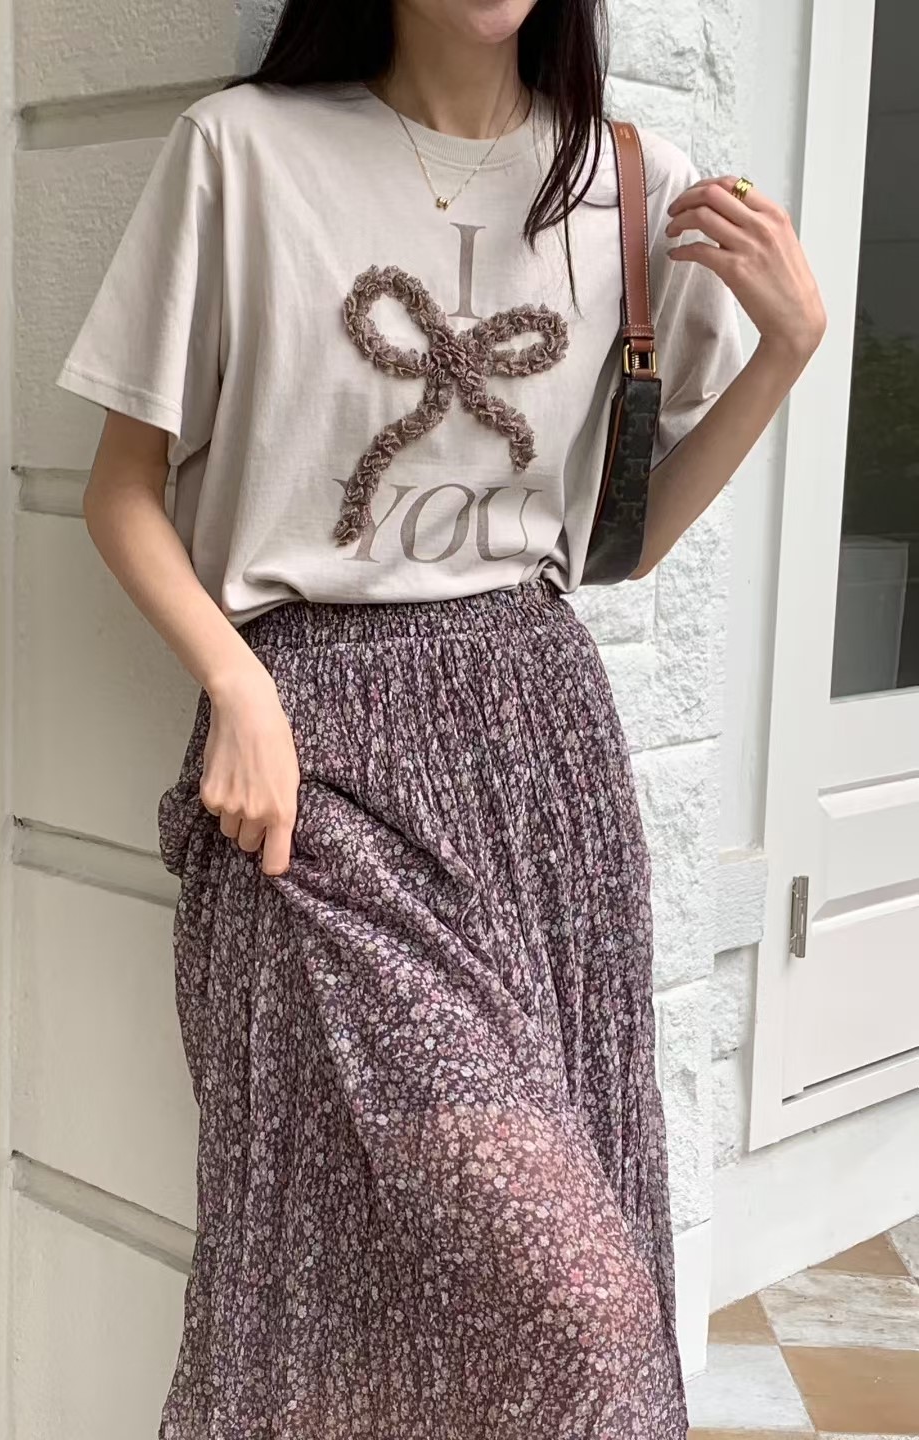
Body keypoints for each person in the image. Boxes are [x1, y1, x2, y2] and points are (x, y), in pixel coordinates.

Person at [56, 1, 825, 1434]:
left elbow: (617, 546)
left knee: (532, 1298)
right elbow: (120, 492)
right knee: (479, 1296)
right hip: (316, 764)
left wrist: (785, 352)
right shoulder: (243, 153)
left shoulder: (628, 185)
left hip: (540, 758)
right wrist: (239, 684)